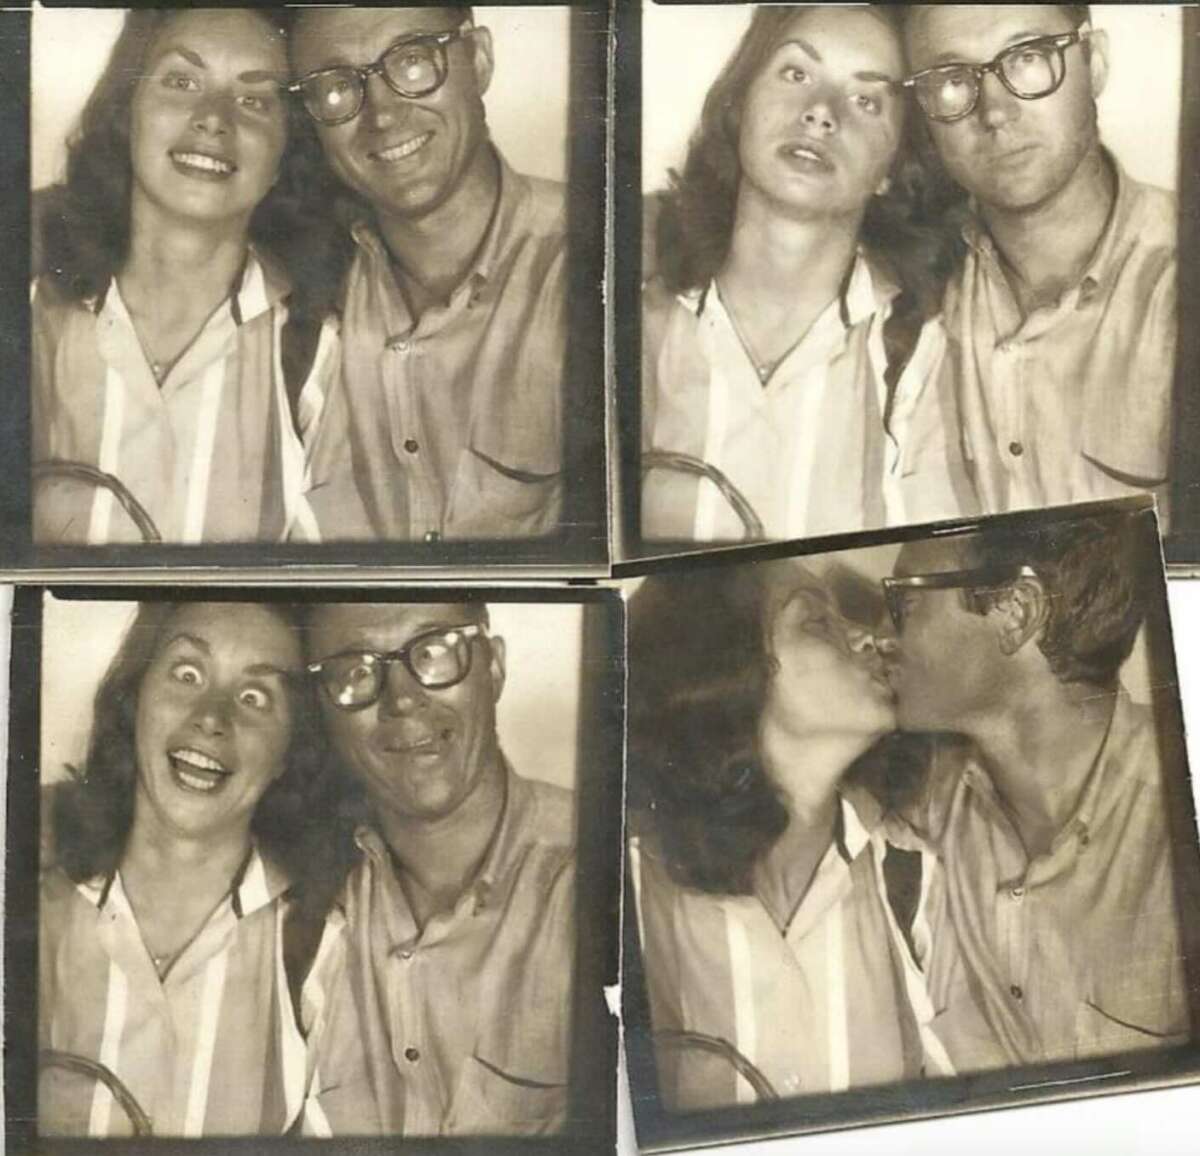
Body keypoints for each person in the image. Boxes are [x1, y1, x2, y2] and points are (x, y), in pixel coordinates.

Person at [640, 5, 977, 543]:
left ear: (893, 168)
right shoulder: (633, 317)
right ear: (739, 104)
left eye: (866, 100)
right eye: (796, 74)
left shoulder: (925, 358)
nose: (821, 112)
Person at [626, 563, 956, 1110]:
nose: (869, 636)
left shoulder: (914, 881)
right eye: (817, 623)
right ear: (724, 670)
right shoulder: (624, 899)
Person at [38, 602, 368, 1136]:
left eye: (255, 697)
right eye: (187, 674)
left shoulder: (324, 956)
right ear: (134, 698)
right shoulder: (29, 906)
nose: (212, 719)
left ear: (290, 751)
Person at [32, 9, 358, 545]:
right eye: (182, 82)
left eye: (254, 99)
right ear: (127, 111)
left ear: (284, 153)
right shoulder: (26, 308)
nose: (213, 118)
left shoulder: (321, 356)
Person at [881, 508, 1189, 1069]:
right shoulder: (931, 798)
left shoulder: (1177, 825)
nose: (884, 638)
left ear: (1016, 613)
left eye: (903, 603)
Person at [288, 8, 567, 541]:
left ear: (479, 61)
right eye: (336, 87)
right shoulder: (307, 301)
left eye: (412, 61)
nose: (382, 116)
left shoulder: (596, 270)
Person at [302, 602, 576, 1134]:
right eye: (357, 670)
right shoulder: (302, 908)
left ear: (493, 667)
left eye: (432, 652)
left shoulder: (601, 880)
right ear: (321, 711)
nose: (402, 699)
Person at [902, 5, 1177, 520]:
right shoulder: (916, 297)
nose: (996, 112)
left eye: (1028, 57)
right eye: (953, 80)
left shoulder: (1179, 284)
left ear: (1094, 62)